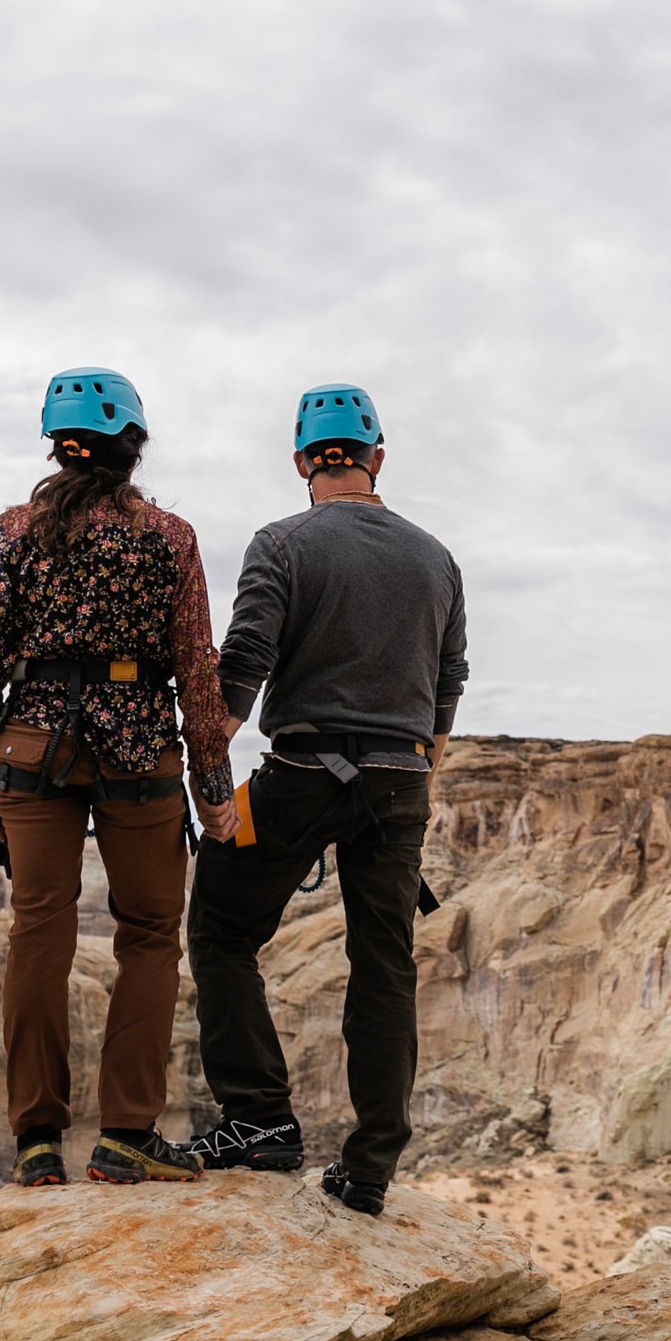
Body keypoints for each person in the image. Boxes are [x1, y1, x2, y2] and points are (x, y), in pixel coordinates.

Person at [0, 366, 241, 1190]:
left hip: (30, 748)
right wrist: (215, 793)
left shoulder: (14, 530)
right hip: (138, 748)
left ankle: (37, 1142)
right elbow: (197, 672)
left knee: (39, 929)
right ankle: (126, 1135)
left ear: (56, 445)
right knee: (148, 933)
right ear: (133, 447)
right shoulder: (168, 536)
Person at [185, 384, 467, 1215]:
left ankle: (259, 1119)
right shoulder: (436, 558)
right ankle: (371, 1166)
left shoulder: (281, 543)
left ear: (305, 461)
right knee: (384, 967)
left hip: (301, 776)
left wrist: (211, 786)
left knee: (223, 929)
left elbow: (241, 668)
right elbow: (448, 682)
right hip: (400, 780)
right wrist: (426, 775)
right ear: (377, 457)